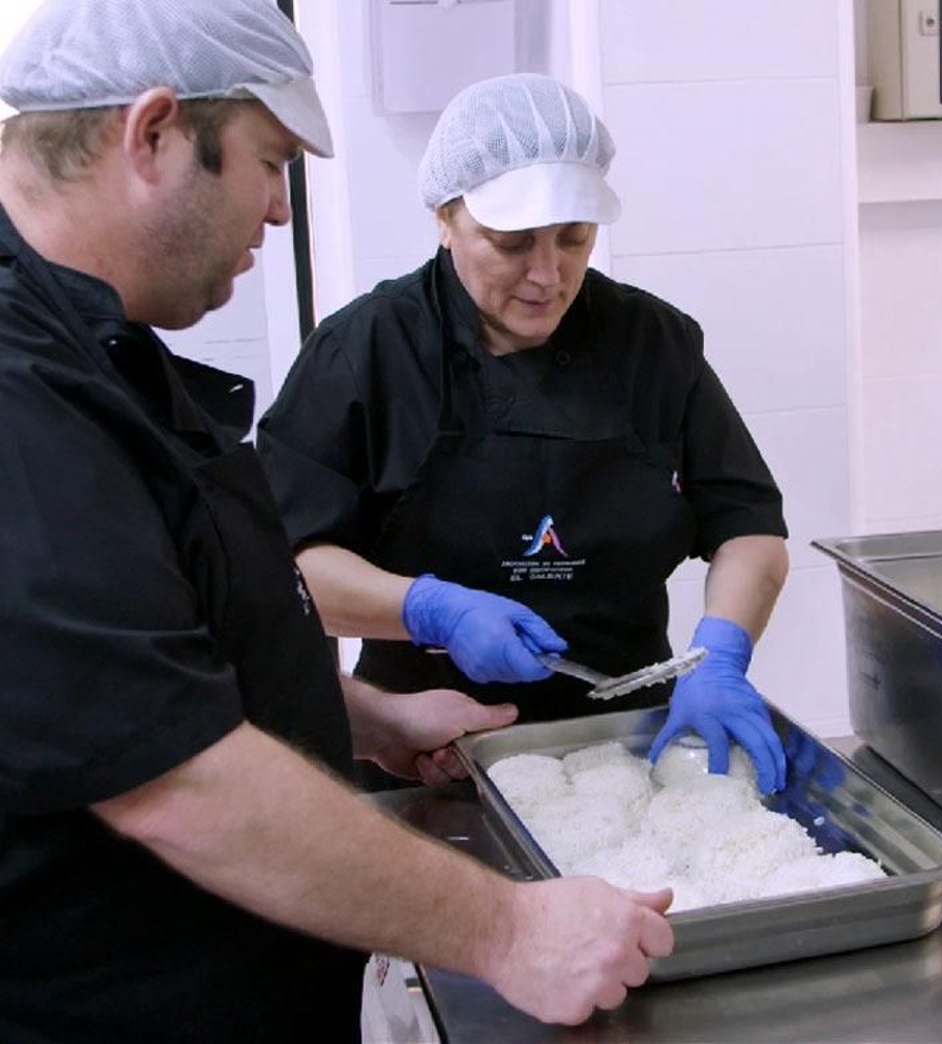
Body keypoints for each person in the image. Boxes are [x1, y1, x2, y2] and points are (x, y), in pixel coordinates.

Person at [0, 2, 670, 1040]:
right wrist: (506, 932)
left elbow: (158, 653)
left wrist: (363, 714)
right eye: (270, 164)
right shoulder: (20, 397)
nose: (277, 211)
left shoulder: (106, 352)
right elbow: (172, 782)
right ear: (154, 134)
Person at [257, 73, 791, 793]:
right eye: (511, 244)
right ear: (446, 217)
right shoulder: (365, 353)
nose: (549, 274)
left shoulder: (653, 344)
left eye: (574, 239)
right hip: (422, 743)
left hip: (626, 746)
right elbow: (289, 566)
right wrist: (430, 610)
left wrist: (720, 652)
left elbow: (749, 526)